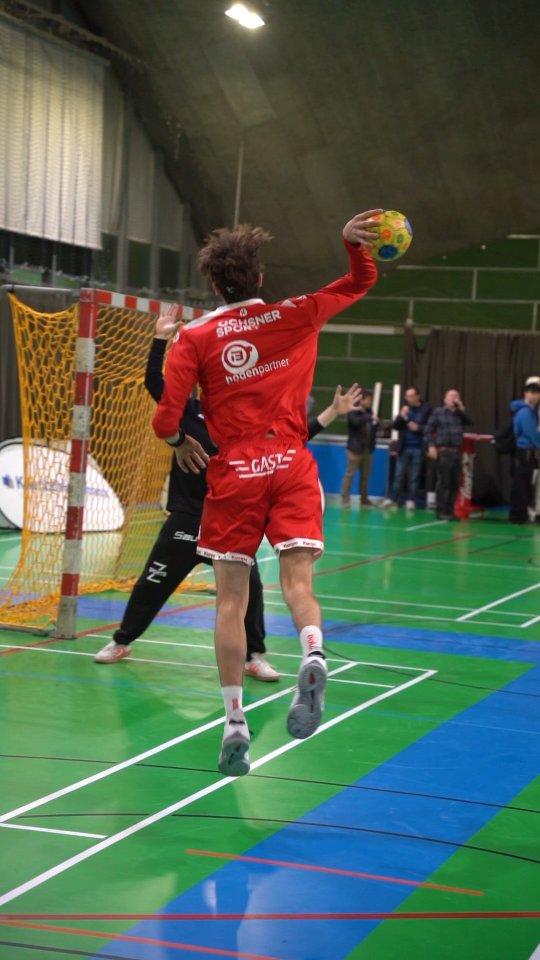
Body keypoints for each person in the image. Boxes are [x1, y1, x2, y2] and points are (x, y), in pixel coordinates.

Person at [152, 209, 380, 776]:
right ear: (257, 279)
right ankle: (313, 651)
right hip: (291, 461)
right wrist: (353, 244)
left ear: (214, 284)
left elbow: (164, 421)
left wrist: (181, 440)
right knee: (297, 583)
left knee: (231, 601)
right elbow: (359, 283)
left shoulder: (194, 337)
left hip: (235, 472)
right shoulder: (294, 313)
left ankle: (234, 722)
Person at [95, 311, 361, 676]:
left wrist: (332, 411)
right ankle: (122, 640)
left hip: (232, 518)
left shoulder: (245, 421)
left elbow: (295, 439)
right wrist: (160, 340)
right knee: (152, 582)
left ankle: (255, 657)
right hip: (188, 518)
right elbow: (153, 383)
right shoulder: (188, 411)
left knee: (248, 594)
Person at [424, 389, 472, 520]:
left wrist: (462, 409)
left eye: (456, 396)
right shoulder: (438, 412)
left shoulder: (459, 414)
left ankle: (450, 510)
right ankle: (441, 510)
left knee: (454, 483)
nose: (454, 398)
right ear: (445, 399)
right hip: (443, 451)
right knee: (443, 482)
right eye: (451, 396)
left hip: (456, 451)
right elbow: (427, 431)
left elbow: (470, 422)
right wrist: (431, 446)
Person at [381, 386, 432, 509]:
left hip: (418, 447)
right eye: (406, 396)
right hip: (404, 447)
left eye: (410, 396)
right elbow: (396, 426)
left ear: (417, 396)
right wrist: (401, 415)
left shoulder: (426, 409)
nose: (407, 398)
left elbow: (430, 427)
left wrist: (418, 428)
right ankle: (393, 498)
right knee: (399, 474)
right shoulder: (405, 409)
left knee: (415, 476)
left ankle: (411, 500)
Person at [508, 380, 540, 524]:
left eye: (537, 393)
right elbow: (531, 434)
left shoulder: (527, 411)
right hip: (525, 451)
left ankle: (519, 514)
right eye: (532, 393)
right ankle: (518, 515)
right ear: (526, 394)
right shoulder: (526, 412)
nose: (535, 396)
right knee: (522, 484)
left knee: (523, 483)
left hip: (524, 451)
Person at [340, 388, 378, 507]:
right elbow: (355, 422)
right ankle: (345, 499)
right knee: (349, 474)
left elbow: (373, 428)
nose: (370, 402)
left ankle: (364, 499)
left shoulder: (370, 412)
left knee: (365, 476)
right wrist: (369, 417)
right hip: (354, 449)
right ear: (362, 400)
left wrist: (376, 422)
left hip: (367, 449)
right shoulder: (353, 410)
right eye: (368, 399)